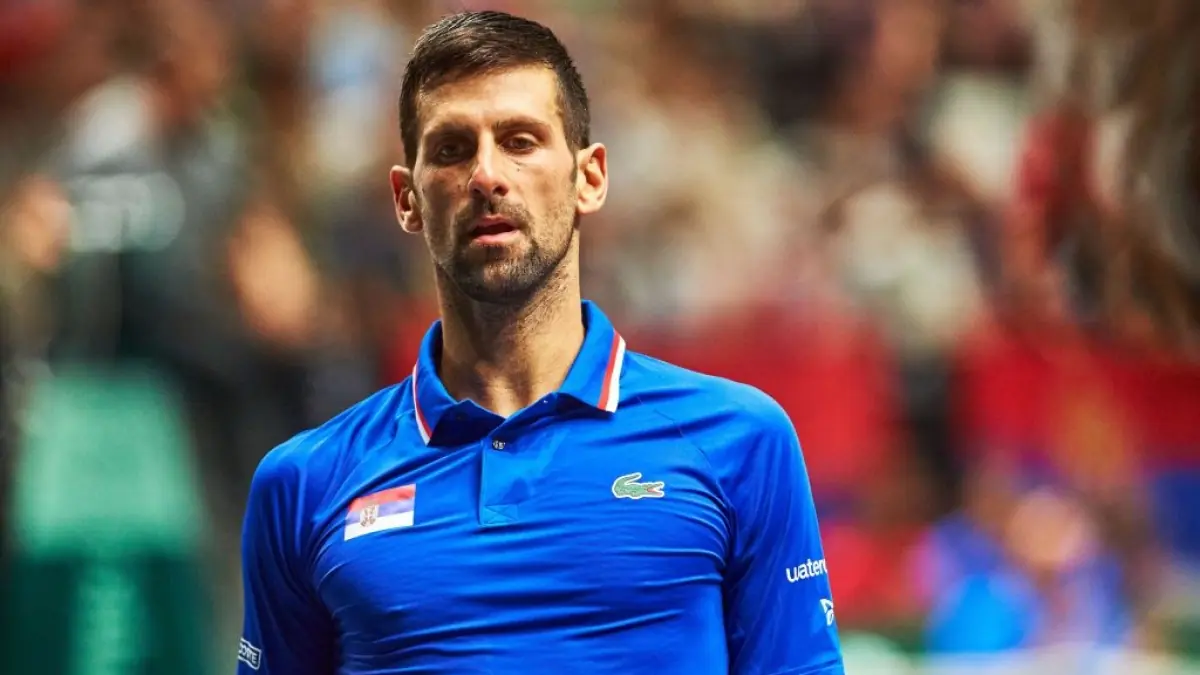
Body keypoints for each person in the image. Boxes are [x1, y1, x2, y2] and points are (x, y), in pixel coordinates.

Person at [237, 10, 844, 675]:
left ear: (590, 177)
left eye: (520, 141)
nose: (486, 175)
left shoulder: (740, 441)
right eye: (452, 149)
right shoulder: (303, 484)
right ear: (406, 199)